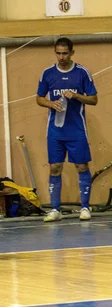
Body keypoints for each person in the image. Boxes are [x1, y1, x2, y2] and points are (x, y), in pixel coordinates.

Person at [36, 37, 98, 222]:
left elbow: (94, 99)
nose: (61, 57)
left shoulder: (82, 73)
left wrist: (77, 96)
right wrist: (50, 103)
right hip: (55, 131)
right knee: (55, 167)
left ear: (72, 52)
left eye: (65, 53)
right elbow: (39, 98)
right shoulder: (47, 73)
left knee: (81, 166)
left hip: (76, 130)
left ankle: (85, 207)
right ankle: (55, 210)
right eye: (58, 53)